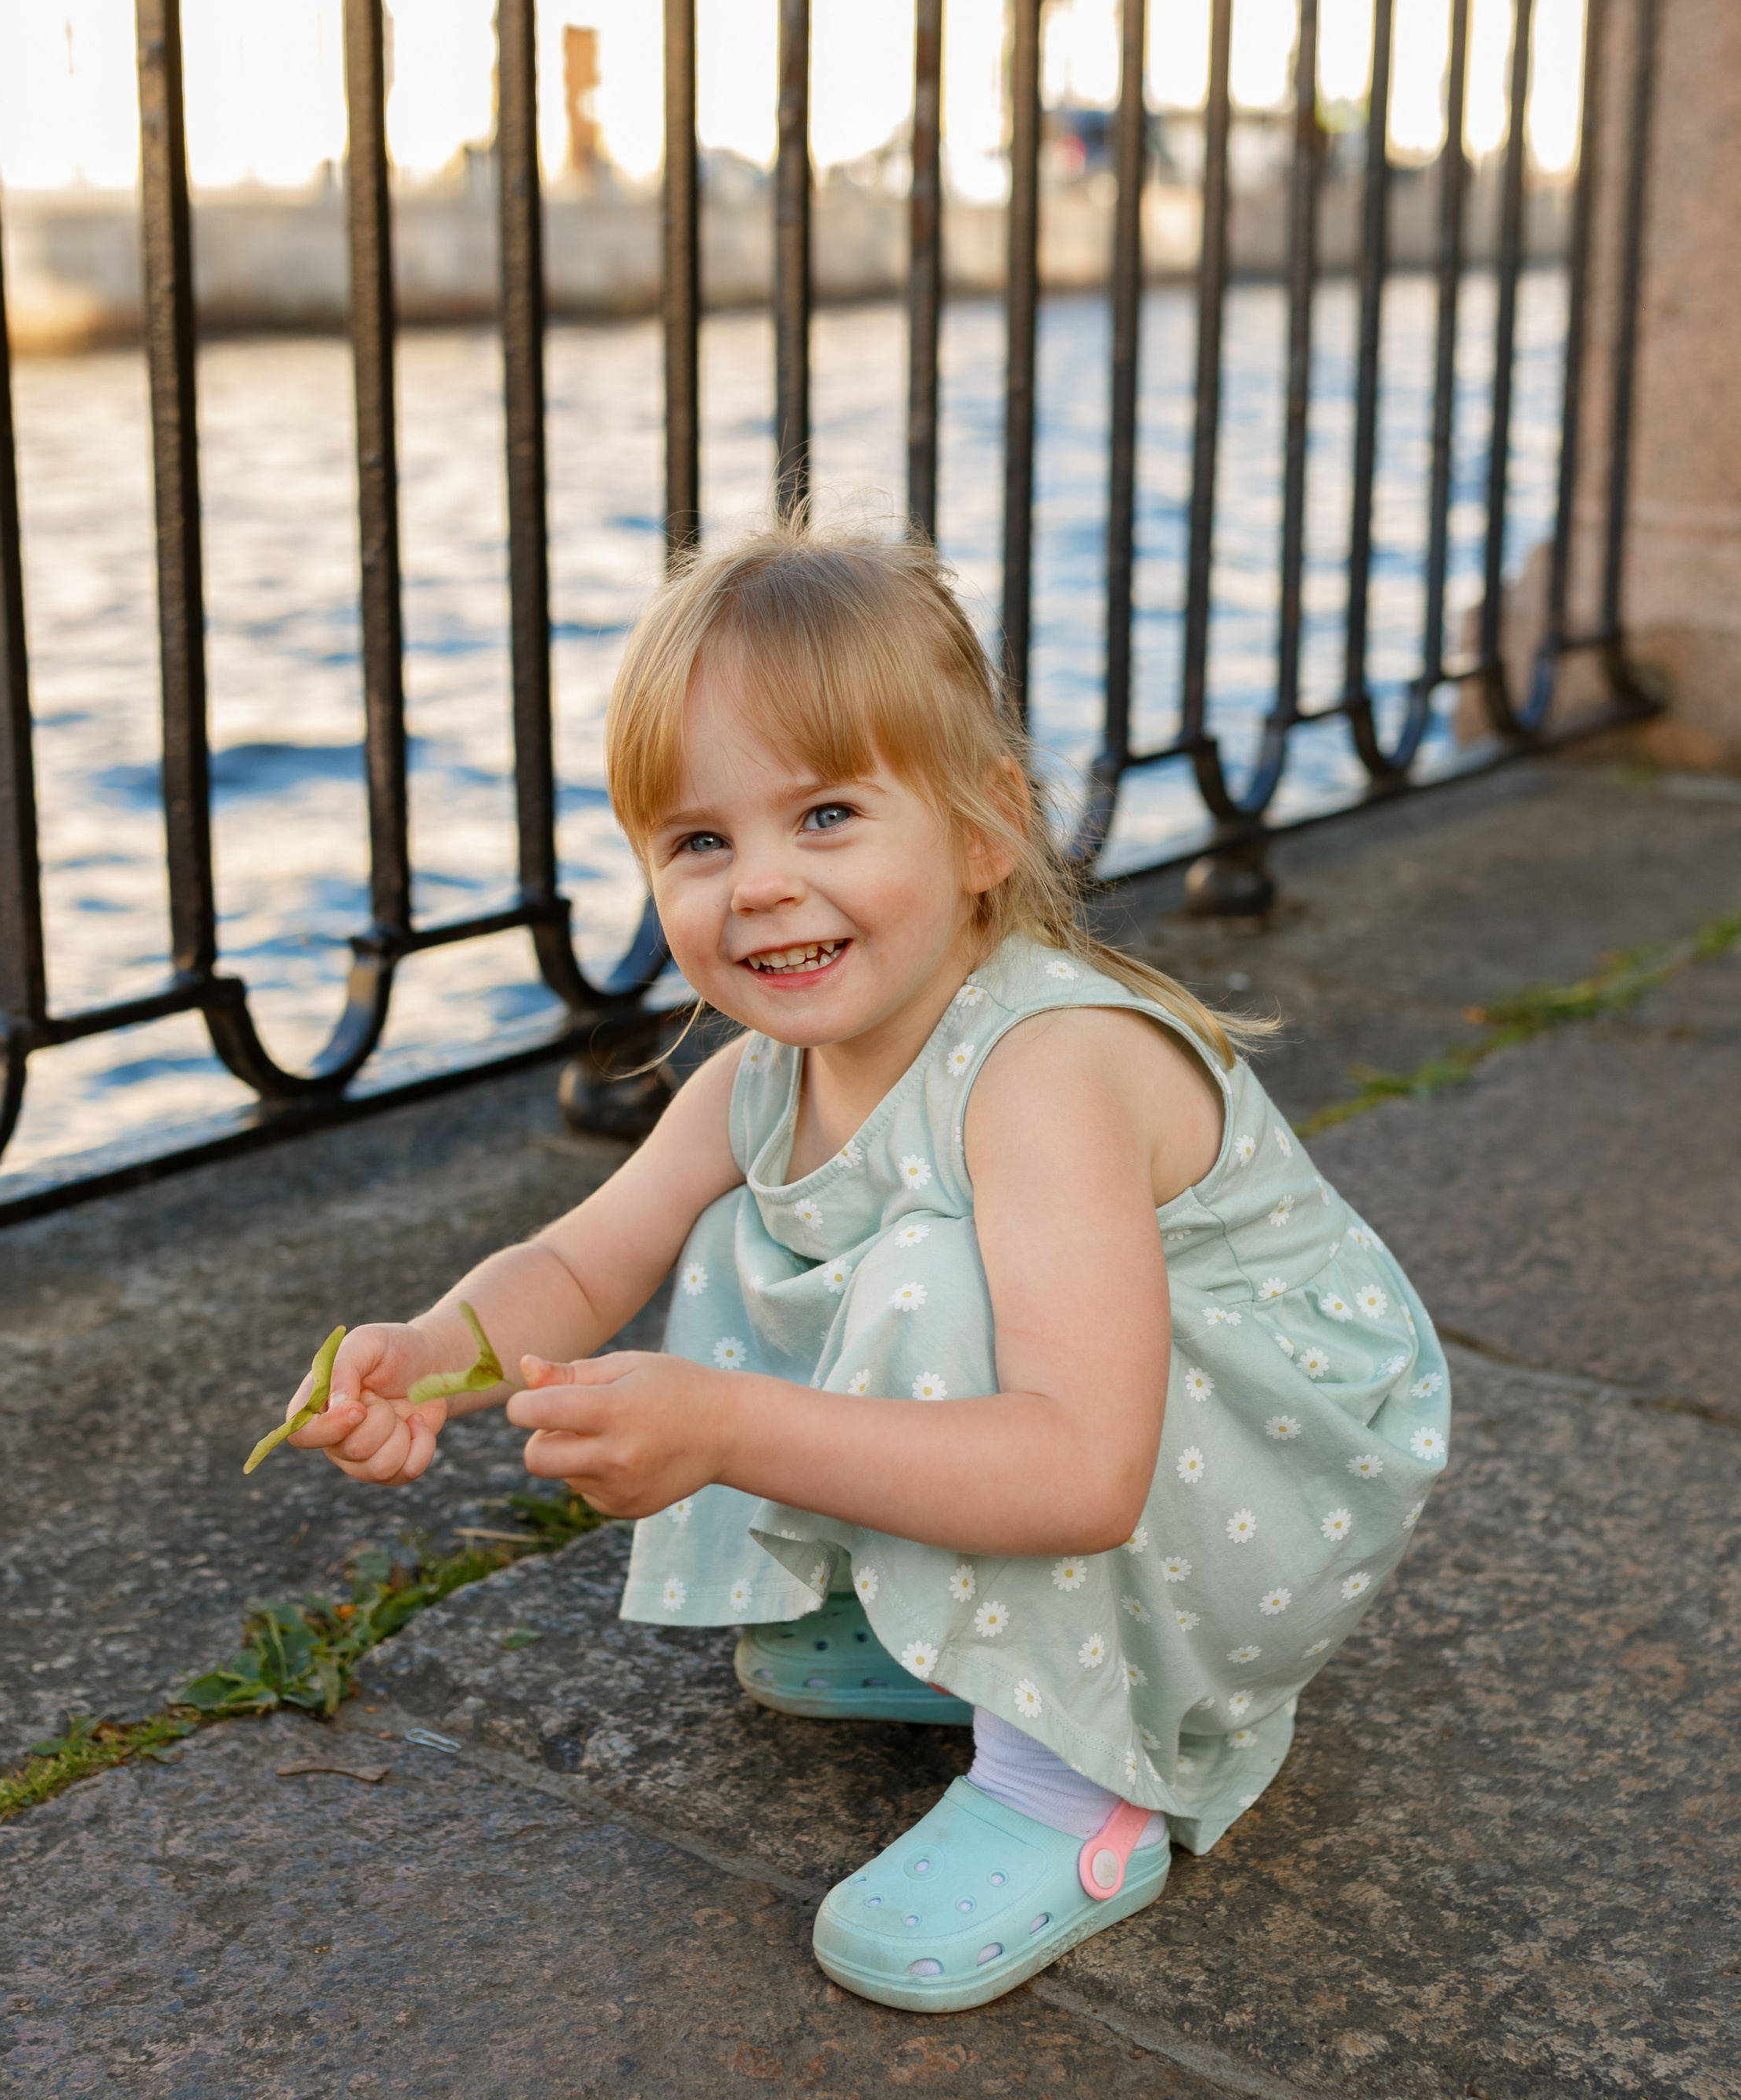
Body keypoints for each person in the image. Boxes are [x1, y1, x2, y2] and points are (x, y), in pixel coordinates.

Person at [285, 522, 1449, 2012]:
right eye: (700, 841)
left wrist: (719, 1425)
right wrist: (433, 1350)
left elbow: (1090, 1469)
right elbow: (582, 1262)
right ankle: (918, 1608)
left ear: (983, 833)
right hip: (1122, 1451)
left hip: (1263, 1476)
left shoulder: (1047, 1069)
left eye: (825, 813)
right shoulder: (759, 1076)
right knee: (740, 1227)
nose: (758, 884)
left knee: (925, 1272)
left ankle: (1073, 1787)